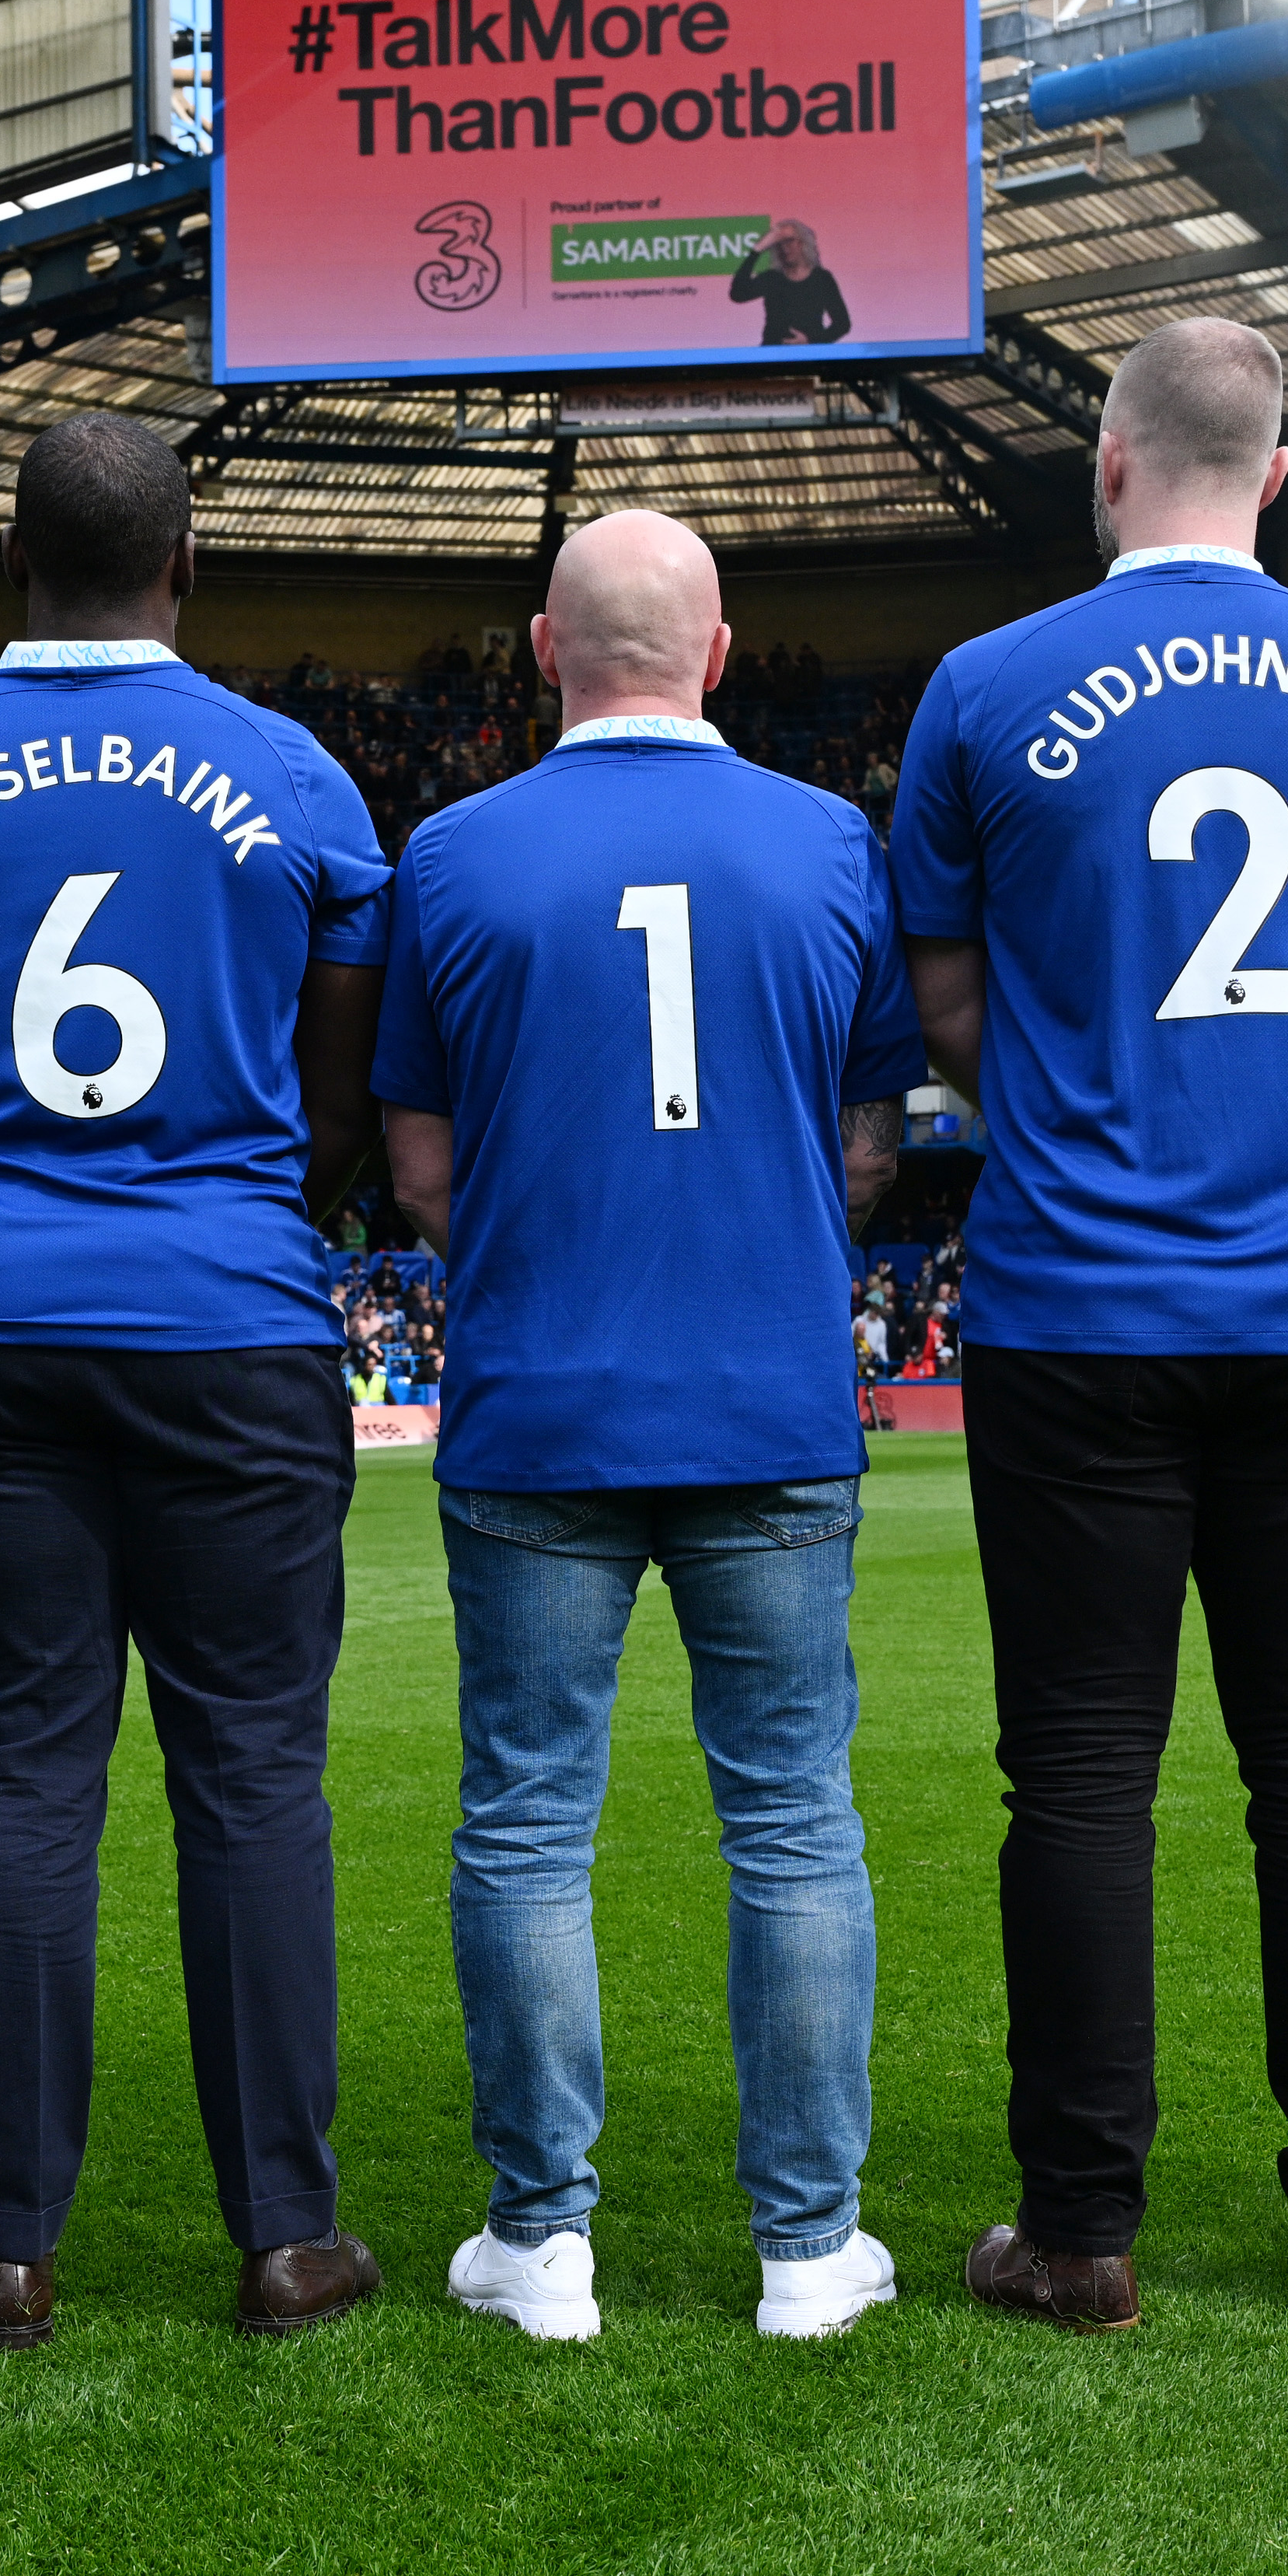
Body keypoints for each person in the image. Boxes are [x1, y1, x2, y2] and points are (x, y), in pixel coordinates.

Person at [890, 314, 1288, 2330]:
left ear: (1111, 460)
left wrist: (1069, 1082)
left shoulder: (982, 690)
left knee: (1078, 1774)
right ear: (1282, 474)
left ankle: (1081, 2230)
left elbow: (949, 1010)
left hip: (1076, 1307)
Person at [0, 413, 394, 2350]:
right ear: (187, 567)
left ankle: (1, 2244)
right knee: (250, 1778)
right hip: (232, 1313)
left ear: (4, 560)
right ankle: (289, 2235)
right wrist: (241, 1189)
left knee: (23, 1786)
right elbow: (338, 1061)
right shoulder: (291, 771)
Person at [375, 509, 923, 2347]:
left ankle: (541, 2242)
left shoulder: (448, 854)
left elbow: (421, 1161)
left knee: (526, 1821)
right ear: (719, 647)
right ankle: (803, 2247)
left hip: (538, 1399)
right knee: (790, 1821)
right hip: (767, 1394)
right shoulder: (829, 838)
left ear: (542, 649)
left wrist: (545, 1252)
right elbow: (868, 1139)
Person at [727, 218, 850, 348]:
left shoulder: (822, 278)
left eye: (789, 241)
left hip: (810, 357)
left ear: (803, 243)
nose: (784, 247)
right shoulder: (773, 278)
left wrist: (811, 341)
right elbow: (737, 294)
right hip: (772, 357)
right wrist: (758, 249)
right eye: (779, 243)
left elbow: (842, 324)